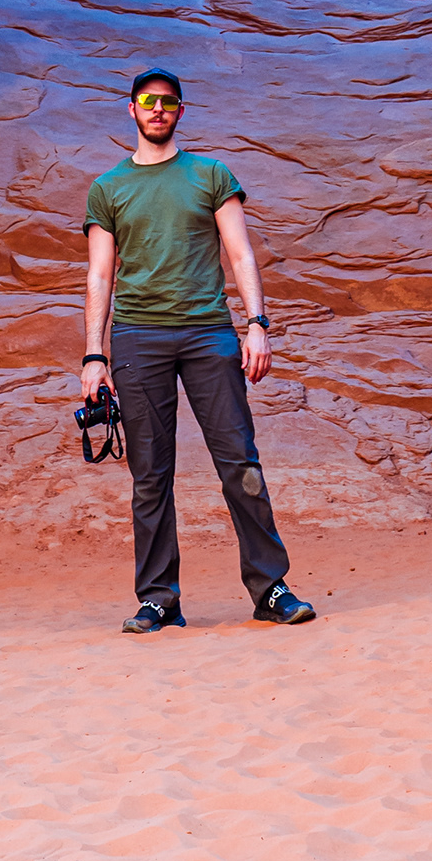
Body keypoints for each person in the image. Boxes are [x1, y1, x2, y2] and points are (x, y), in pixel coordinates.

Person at [81, 68, 316, 635]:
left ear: (180, 112)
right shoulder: (108, 188)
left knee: (240, 462)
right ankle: (160, 598)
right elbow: (99, 275)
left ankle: (271, 588)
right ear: (131, 109)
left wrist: (257, 323)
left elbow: (241, 255)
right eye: (148, 101)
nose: (157, 109)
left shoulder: (211, 174)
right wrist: (94, 356)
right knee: (150, 475)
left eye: (168, 102)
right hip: (138, 338)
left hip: (209, 330)